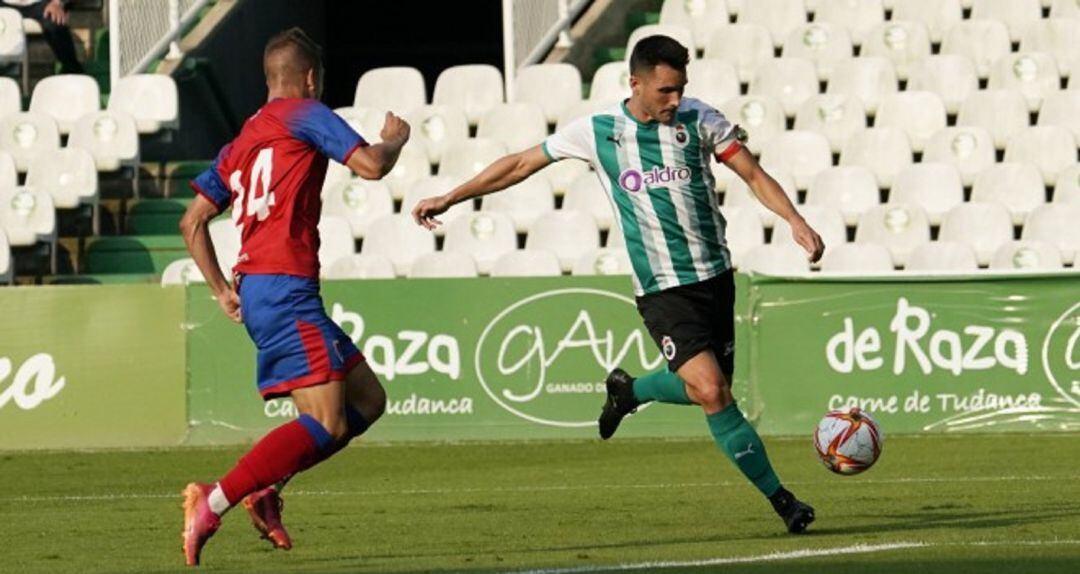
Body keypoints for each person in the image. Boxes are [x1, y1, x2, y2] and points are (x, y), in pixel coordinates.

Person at [412, 35, 823, 534]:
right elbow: (521, 163)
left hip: (715, 277)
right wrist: (452, 197)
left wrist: (794, 220)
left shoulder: (700, 120)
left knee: (705, 390)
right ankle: (784, 502)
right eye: (665, 90)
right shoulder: (599, 130)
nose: (675, 100)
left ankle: (628, 391)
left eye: (680, 89)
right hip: (663, 288)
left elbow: (753, 174)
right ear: (636, 83)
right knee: (713, 391)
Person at [177, 27, 410, 566]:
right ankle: (211, 501)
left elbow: (193, 221)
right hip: (284, 288)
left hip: (264, 288)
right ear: (309, 78)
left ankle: (265, 489)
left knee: (367, 402)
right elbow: (371, 166)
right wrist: (395, 137)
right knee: (327, 422)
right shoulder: (307, 112)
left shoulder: (240, 143)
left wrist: (219, 291)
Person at [2, 0, 84, 74]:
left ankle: (72, 70)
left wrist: (57, 3)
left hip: (40, 3)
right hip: (5, 4)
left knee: (54, 23)